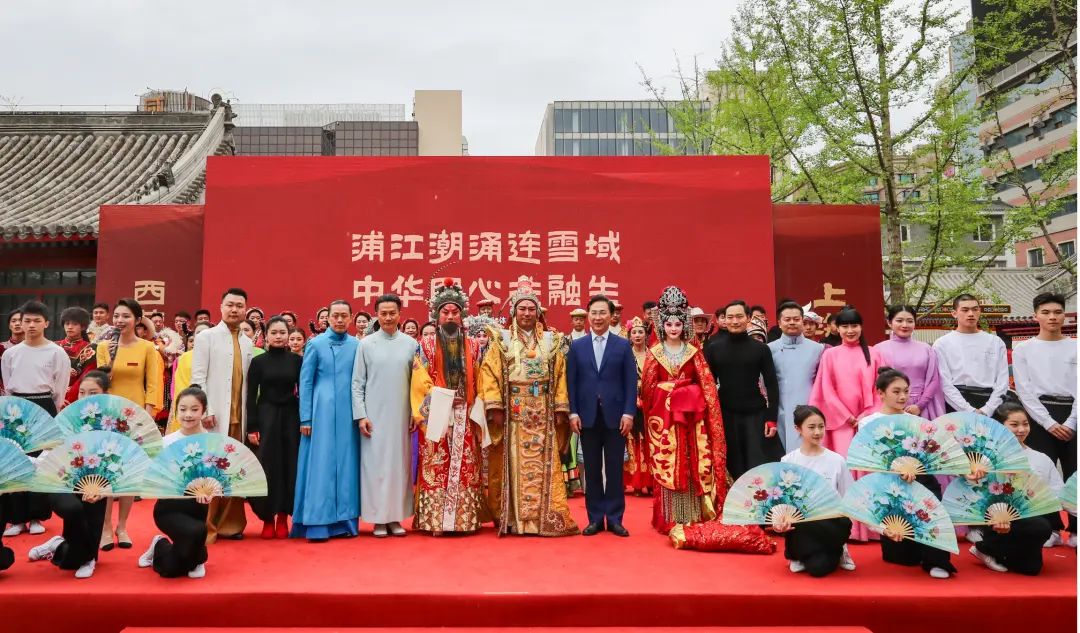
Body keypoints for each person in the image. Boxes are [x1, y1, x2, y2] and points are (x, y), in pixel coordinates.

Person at [479, 282, 578, 537]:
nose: (526, 313)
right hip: (514, 410)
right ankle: (514, 519)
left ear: (538, 312)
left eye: (531, 309)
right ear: (514, 312)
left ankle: (542, 518)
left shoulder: (550, 340)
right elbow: (489, 372)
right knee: (513, 462)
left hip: (543, 409)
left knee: (543, 464)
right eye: (522, 309)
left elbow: (560, 375)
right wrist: (495, 406)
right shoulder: (502, 340)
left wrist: (560, 408)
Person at [639, 287, 727, 534]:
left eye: (678, 324)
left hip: (691, 419)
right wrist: (670, 392)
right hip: (665, 420)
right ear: (662, 326)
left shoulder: (694, 352)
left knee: (692, 460)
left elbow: (706, 385)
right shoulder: (655, 354)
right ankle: (669, 516)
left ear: (684, 325)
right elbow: (648, 390)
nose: (674, 328)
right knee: (668, 461)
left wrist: (688, 394)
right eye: (669, 324)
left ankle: (694, 513)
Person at [861, 367, 956, 578]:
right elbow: (870, 459)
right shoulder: (868, 423)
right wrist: (897, 470)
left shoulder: (918, 422)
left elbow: (929, 456)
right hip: (889, 483)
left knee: (932, 509)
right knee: (904, 557)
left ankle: (937, 561)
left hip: (920, 480)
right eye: (896, 391)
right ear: (880, 392)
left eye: (906, 391)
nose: (903, 396)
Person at [410, 280, 484, 535]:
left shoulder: (474, 345)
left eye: (455, 312)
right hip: (437, 413)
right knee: (436, 466)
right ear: (436, 315)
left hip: (465, 412)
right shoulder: (425, 345)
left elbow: (480, 379)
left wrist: (475, 405)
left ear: (462, 315)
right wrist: (441, 399)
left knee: (466, 466)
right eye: (445, 312)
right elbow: (419, 380)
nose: (450, 316)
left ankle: (464, 521)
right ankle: (435, 522)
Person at [26, 371, 112, 579]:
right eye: (82, 392)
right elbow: (49, 452)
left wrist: (104, 489)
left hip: (95, 483)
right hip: (60, 479)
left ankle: (68, 548)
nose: (85, 397)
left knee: (71, 560)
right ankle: (82, 552)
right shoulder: (66, 418)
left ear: (106, 394)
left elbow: (119, 464)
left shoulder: (113, 424)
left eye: (93, 393)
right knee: (72, 509)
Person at [94, 297, 164, 550]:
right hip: (108, 416)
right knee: (105, 473)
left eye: (126, 316)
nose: (120, 320)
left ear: (137, 320)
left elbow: (154, 384)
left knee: (128, 472)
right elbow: (100, 383)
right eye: (117, 316)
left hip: (135, 418)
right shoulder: (105, 346)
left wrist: (148, 417)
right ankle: (105, 527)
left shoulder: (147, 348)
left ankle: (122, 526)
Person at [565, 295, 637, 537]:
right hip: (587, 417)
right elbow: (571, 382)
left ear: (611, 315)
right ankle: (595, 518)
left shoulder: (622, 345)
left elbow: (630, 383)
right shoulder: (577, 346)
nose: (597, 317)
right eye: (594, 313)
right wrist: (573, 412)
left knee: (615, 470)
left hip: (616, 418)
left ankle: (615, 519)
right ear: (588, 315)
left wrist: (629, 413)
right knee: (592, 469)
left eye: (602, 312)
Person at [292, 300, 361, 541]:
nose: (340, 320)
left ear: (351, 318)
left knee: (347, 465)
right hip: (320, 412)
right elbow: (305, 382)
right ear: (327, 318)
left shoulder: (357, 345)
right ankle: (317, 523)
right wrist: (306, 417)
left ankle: (345, 522)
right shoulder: (315, 344)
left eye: (344, 316)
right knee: (320, 465)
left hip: (348, 413)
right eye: (335, 316)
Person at [1011, 292, 1076, 547]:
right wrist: (1048, 422)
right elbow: (1024, 390)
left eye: (1058, 312)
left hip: (1073, 413)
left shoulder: (1076, 346)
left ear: (1064, 315)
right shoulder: (1024, 349)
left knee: (1075, 473)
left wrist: (1071, 422)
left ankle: (1076, 528)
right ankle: (1051, 528)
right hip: (1038, 417)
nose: (1052, 317)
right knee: (1039, 473)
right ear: (1036, 315)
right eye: (1046, 312)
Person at [191, 288, 255, 543]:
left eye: (239, 305)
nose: (234, 309)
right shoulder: (206, 337)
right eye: (230, 304)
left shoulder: (248, 342)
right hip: (214, 416)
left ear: (246, 309)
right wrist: (205, 410)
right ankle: (206, 526)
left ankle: (230, 525)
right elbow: (198, 377)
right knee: (211, 469)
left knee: (234, 470)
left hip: (239, 417)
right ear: (221, 307)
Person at [1, 301, 69, 538]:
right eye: (26, 320)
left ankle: (36, 516)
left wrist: (51, 412)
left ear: (46, 323)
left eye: (36, 321)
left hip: (44, 406)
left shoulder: (56, 352)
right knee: (15, 461)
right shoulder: (10, 353)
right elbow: (8, 385)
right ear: (20, 323)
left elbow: (60, 388)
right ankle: (16, 518)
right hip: (16, 409)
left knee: (41, 462)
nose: (31, 325)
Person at [351, 294, 416, 538]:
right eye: (383, 313)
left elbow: (417, 384)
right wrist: (361, 415)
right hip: (374, 417)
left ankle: (396, 517)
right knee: (374, 467)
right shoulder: (366, 344)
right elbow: (357, 383)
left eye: (392, 313)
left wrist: (415, 412)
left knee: (399, 468)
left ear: (400, 314)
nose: (388, 318)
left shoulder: (411, 344)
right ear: (376, 315)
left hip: (401, 415)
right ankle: (378, 519)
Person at [967, 403, 1057, 573]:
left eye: (1025, 424)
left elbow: (1057, 492)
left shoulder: (1041, 458)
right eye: (1014, 425)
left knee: (1031, 569)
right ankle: (989, 545)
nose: (1021, 429)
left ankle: (990, 549)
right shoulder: (987, 456)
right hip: (996, 517)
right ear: (1000, 427)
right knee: (1042, 527)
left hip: (1030, 516)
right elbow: (974, 492)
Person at [772, 404, 855, 576]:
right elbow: (782, 498)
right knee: (816, 566)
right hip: (802, 525)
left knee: (820, 568)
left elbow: (850, 497)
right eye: (811, 427)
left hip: (830, 524)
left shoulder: (836, 460)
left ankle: (840, 549)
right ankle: (796, 555)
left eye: (821, 426)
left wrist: (882, 529)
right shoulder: (789, 461)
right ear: (798, 429)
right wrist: (778, 522)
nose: (817, 432)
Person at [138, 386, 212, 579]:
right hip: (169, 507)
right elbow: (155, 476)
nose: (188, 415)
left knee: (175, 567)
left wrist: (210, 491)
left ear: (204, 411)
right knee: (195, 532)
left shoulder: (212, 442)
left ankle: (195, 558)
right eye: (183, 409)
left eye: (194, 409)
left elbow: (217, 476)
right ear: (176, 410)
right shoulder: (166, 442)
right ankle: (162, 544)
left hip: (198, 507)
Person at [704, 300, 782, 479]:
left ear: (748, 318)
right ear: (724, 320)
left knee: (757, 464)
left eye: (739, 316)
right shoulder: (714, 348)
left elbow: (771, 384)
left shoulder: (761, 349)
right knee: (732, 463)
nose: (734, 321)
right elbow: (708, 384)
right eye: (730, 317)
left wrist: (771, 418)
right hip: (725, 414)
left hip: (755, 414)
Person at [246, 316, 302, 540]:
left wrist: (306, 421)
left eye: (282, 332)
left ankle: (283, 517)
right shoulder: (258, 362)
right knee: (267, 466)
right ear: (266, 336)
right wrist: (252, 426)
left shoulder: (297, 361)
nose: (278, 336)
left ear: (288, 335)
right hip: (266, 416)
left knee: (290, 465)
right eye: (274, 332)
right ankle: (267, 518)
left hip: (291, 417)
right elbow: (251, 396)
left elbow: (304, 391)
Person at [809, 307, 881, 457]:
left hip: (869, 420)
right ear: (837, 328)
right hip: (840, 422)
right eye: (845, 326)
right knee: (844, 460)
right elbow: (826, 389)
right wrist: (847, 416)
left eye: (854, 326)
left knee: (869, 461)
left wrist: (867, 414)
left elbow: (881, 389)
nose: (850, 330)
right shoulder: (830, 355)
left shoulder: (874, 353)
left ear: (861, 327)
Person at [932, 294, 1009, 415]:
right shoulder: (942, 344)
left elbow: (1002, 381)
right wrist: (968, 410)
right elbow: (944, 382)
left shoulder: (995, 342)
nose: (971, 314)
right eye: (965, 310)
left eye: (975, 309)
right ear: (954, 313)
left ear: (980, 311)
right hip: (956, 403)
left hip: (991, 403)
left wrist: (988, 409)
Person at [768, 301, 824, 453]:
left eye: (796, 319)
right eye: (787, 319)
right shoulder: (769, 349)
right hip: (780, 410)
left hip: (810, 407)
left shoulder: (818, 349)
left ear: (802, 321)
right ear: (779, 323)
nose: (792, 322)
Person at [873, 305, 944, 420]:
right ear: (889, 323)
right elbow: (876, 382)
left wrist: (920, 405)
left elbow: (934, 380)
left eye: (910, 321)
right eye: (899, 320)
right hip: (890, 408)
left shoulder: (926, 349)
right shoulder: (878, 350)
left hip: (922, 407)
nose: (905, 325)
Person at [623, 317, 653, 496]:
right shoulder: (626, 356)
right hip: (631, 403)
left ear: (646, 335)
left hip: (651, 404)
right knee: (633, 442)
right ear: (629, 336)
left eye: (641, 332)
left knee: (651, 442)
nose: (637, 335)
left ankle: (651, 481)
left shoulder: (653, 355)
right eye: (634, 332)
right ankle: (636, 482)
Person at [167, 322, 211, 433]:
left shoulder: (219, 357)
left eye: (206, 332)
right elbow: (180, 387)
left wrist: (209, 410)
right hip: (190, 410)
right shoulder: (184, 358)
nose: (202, 335)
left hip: (213, 412)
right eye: (198, 333)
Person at [56, 307, 97, 408]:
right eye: (67, 323)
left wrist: (68, 398)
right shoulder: (54, 346)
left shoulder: (90, 349)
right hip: (53, 396)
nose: (70, 327)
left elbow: (86, 376)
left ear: (83, 327)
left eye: (74, 324)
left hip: (76, 399)